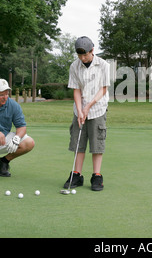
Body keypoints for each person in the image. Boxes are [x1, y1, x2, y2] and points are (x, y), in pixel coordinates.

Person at [64, 36, 110, 191]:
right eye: (79, 56)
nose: (83, 58)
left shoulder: (103, 65)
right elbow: (76, 89)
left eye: (85, 55)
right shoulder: (74, 66)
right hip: (80, 110)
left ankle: (97, 176)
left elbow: (103, 89)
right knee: (79, 142)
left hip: (97, 108)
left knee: (97, 143)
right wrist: (80, 109)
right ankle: (76, 174)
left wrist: (88, 106)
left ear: (92, 51)